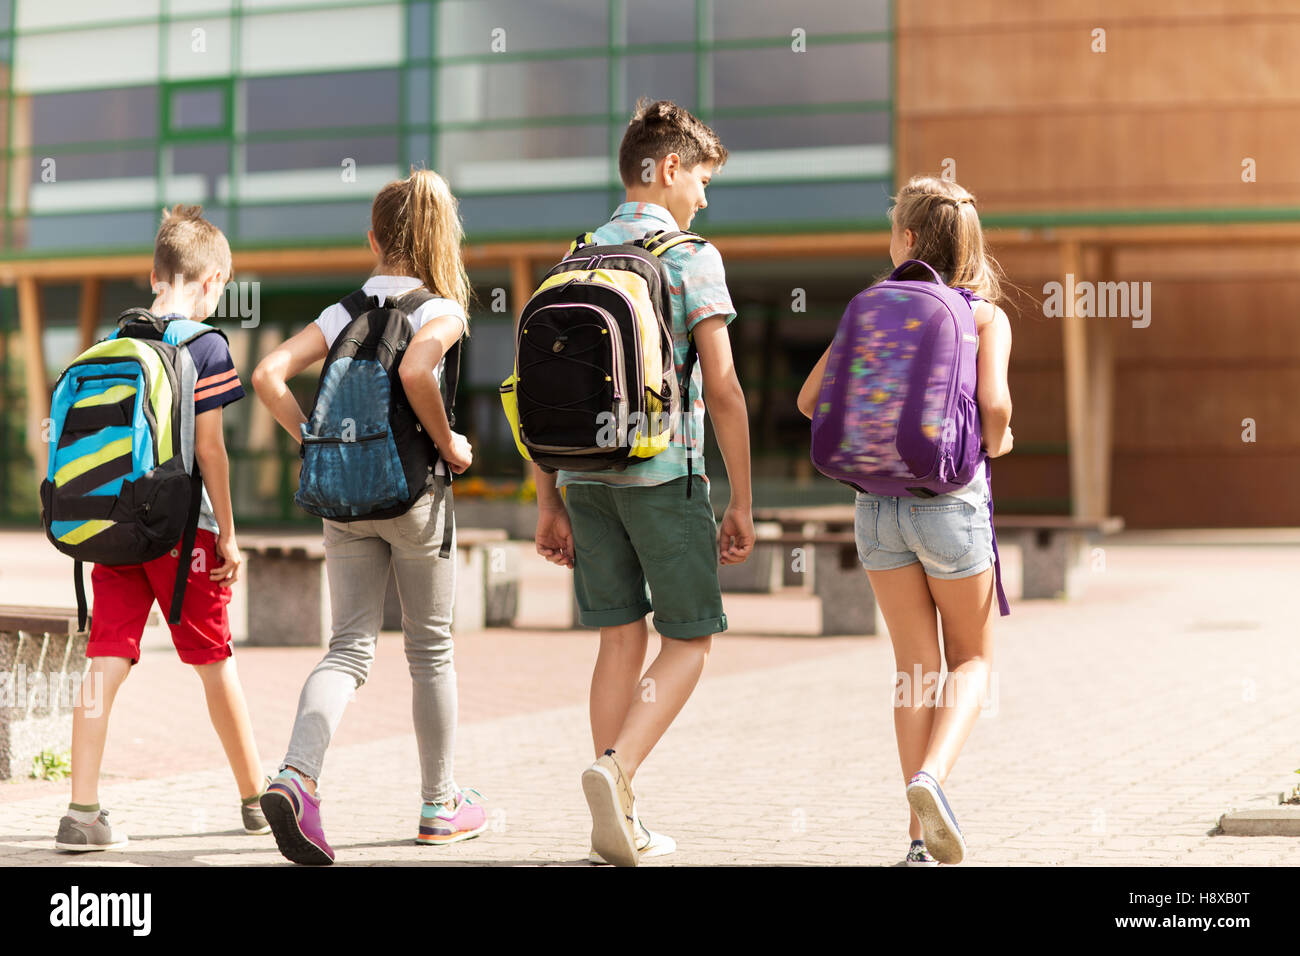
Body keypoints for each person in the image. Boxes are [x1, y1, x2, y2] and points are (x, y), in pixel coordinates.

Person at [531, 99, 755, 867]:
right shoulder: (692, 256)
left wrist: (548, 500)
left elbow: (533, 389)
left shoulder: (574, 257)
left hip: (584, 480)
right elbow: (722, 388)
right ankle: (616, 772)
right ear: (663, 170)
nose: (703, 194)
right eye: (699, 177)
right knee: (689, 638)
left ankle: (613, 811)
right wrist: (741, 501)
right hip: (664, 473)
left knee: (618, 637)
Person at [251, 168, 480, 865]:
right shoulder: (441, 308)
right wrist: (449, 444)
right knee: (429, 650)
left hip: (343, 499)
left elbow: (266, 375)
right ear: (436, 236)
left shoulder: (342, 311)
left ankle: (297, 775)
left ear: (373, 238)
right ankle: (441, 804)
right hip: (415, 497)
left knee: (348, 648)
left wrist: (314, 442)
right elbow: (416, 371)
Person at [798, 175, 1014, 866]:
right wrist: (995, 442)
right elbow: (998, 409)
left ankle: (917, 842)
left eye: (893, 227)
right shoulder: (981, 315)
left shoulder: (872, 306)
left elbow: (809, 401)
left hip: (875, 510)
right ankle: (933, 780)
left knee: (914, 669)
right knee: (973, 660)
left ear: (911, 239)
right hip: (948, 505)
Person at [56, 205, 269, 851]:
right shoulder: (206, 345)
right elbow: (211, 450)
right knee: (213, 662)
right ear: (213, 281)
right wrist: (228, 534)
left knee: (105, 662)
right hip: (186, 535)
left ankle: (80, 811)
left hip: (115, 526)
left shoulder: (109, 346)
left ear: (155, 275)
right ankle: (256, 799)